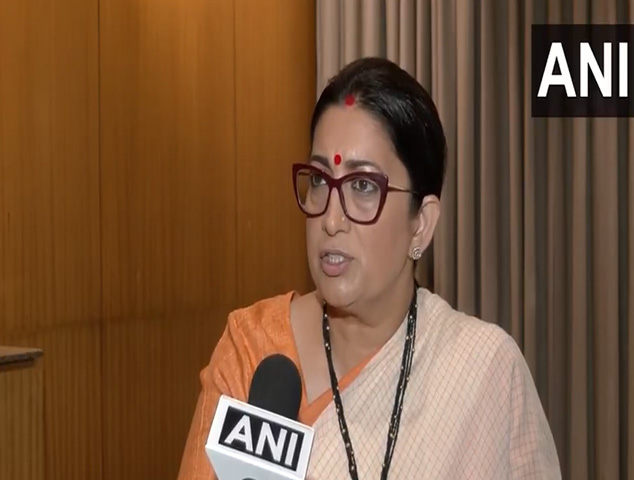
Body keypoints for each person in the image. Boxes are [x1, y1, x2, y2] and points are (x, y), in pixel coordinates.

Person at [177, 57, 562, 479]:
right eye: (319, 180)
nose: (331, 219)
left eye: (362, 186)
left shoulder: (484, 372)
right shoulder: (253, 352)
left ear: (422, 223)